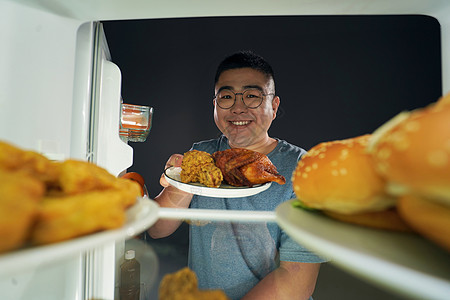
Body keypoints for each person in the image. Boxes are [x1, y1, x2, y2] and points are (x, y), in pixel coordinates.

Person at [149, 50, 326, 299]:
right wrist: (180, 180)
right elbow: (158, 228)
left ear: (274, 106)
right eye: (227, 97)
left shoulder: (303, 169)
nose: (238, 108)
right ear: (215, 105)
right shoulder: (202, 153)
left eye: (252, 96)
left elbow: (297, 278)